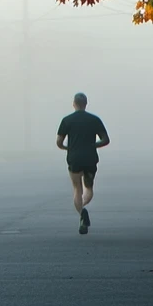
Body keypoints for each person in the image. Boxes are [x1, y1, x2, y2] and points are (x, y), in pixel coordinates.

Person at [56, 92, 110, 235]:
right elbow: (105, 140)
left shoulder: (67, 120)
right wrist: (92, 145)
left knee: (77, 188)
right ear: (86, 104)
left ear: (74, 104)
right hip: (90, 158)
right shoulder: (94, 120)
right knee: (89, 188)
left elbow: (59, 143)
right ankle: (84, 205)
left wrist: (69, 148)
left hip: (74, 158)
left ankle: (81, 213)